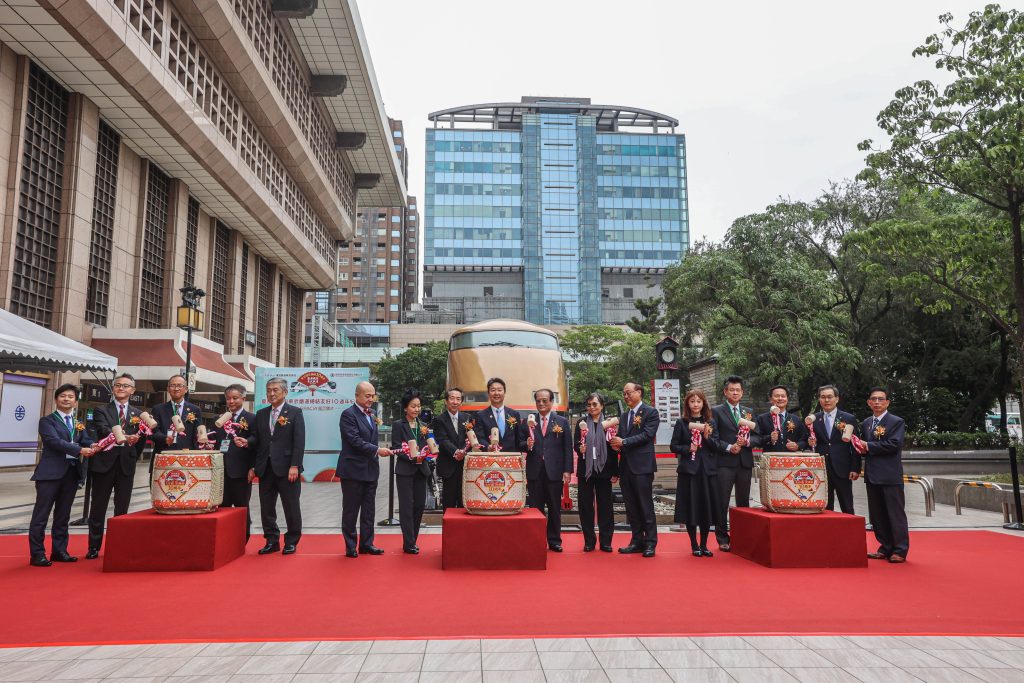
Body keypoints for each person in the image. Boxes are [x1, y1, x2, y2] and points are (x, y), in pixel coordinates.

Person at [29, 384, 95, 566]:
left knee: (63, 515)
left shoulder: (78, 423)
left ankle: (59, 551)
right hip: (50, 474)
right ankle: (37, 554)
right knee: (41, 515)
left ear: (76, 401)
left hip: (71, 473)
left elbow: (87, 440)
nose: (66, 399)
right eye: (63, 396)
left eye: (70, 396)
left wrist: (96, 445)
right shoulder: (47, 421)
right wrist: (80, 449)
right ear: (56, 399)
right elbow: (54, 442)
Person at [241, 378, 305, 555]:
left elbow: (299, 442)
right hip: (266, 468)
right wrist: (246, 442)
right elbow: (258, 440)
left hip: (287, 468)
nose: (271, 393)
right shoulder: (261, 414)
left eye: (275, 390)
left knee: (291, 506)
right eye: (269, 390)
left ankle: (291, 540)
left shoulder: (294, 412)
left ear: (285, 392)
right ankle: (272, 540)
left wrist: (295, 465)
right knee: (266, 507)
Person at [86, 373, 145, 559]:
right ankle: (94, 546)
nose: (121, 388)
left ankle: (118, 544)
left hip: (126, 465)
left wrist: (133, 449)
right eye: (118, 385)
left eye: (126, 386)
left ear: (132, 390)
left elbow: (142, 439)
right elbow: (103, 430)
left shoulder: (138, 413)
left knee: (122, 507)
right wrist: (124, 437)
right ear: (113, 388)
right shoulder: (101, 410)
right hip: (104, 464)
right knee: (98, 507)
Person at [337, 381, 392, 557]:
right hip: (353, 470)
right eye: (367, 396)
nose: (371, 399)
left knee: (369, 509)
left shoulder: (373, 414)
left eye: (372, 395)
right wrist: (377, 450)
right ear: (357, 396)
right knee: (351, 510)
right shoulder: (348, 415)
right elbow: (354, 440)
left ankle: (367, 543)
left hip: (370, 469)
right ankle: (351, 545)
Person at [858, 387, 909, 563]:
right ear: (869, 402)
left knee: (894, 514)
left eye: (881, 399)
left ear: (887, 402)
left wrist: (868, 446)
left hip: (890, 475)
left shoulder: (896, 421)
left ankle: (900, 550)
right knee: (877, 515)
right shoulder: (866, 423)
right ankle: (885, 547)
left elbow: (894, 444)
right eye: (874, 399)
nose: (877, 402)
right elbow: (863, 447)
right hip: (872, 475)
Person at [609, 382, 660, 557]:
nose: (626, 396)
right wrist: (617, 444)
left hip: (642, 466)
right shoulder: (624, 416)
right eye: (624, 393)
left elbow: (647, 435)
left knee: (645, 505)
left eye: (629, 392)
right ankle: (636, 540)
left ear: (639, 392)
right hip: (626, 467)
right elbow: (623, 437)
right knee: (631, 506)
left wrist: (624, 442)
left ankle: (650, 543)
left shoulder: (650, 412)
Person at [671, 389, 723, 558]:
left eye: (698, 401)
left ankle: (704, 544)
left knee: (706, 508)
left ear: (703, 403)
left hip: (707, 471)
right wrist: (687, 449)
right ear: (687, 404)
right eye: (692, 401)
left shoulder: (711, 422)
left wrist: (707, 437)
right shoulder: (681, 422)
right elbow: (674, 446)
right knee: (691, 507)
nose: (695, 404)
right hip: (689, 471)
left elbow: (717, 445)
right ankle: (694, 544)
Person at [710, 375, 758, 552]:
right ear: (725, 392)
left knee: (744, 502)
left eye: (738, 390)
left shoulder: (748, 411)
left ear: (742, 392)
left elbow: (758, 434)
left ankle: (742, 537)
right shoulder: (716, 411)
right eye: (732, 390)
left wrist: (748, 442)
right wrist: (729, 447)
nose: (735, 392)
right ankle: (722, 538)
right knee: (722, 501)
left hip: (744, 462)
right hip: (724, 463)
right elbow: (712, 437)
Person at [523, 388, 573, 552]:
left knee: (554, 507)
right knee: (535, 508)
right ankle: (535, 540)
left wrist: (567, 470)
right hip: (535, 470)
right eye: (538, 401)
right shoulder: (528, 421)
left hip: (554, 470)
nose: (541, 403)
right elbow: (521, 443)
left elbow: (567, 447)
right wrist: (527, 445)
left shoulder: (562, 422)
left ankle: (554, 540)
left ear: (551, 402)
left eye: (545, 400)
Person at [573, 393, 618, 552]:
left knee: (605, 506)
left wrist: (615, 471)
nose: (592, 407)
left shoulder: (609, 423)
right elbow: (576, 444)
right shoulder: (581, 422)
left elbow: (613, 449)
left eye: (595, 404)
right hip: (586, 470)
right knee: (585, 506)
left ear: (602, 405)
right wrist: (580, 448)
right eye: (589, 405)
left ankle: (606, 541)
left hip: (604, 469)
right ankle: (589, 541)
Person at [807, 384, 861, 514]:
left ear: (837, 399)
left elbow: (855, 445)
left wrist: (855, 468)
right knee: (825, 506)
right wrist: (810, 443)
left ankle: (850, 532)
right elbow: (809, 441)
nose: (826, 400)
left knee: (847, 505)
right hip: (821, 469)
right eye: (823, 397)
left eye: (830, 397)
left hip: (842, 468)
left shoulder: (848, 418)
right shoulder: (814, 419)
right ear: (819, 399)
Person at [391, 389, 430, 554]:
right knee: (407, 506)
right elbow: (396, 447)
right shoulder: (399, 425)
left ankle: (413, 539)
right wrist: (412, 456)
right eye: (413, 406)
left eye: (418, 406)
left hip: (421, 470)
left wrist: (428, 452)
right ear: (406, 408)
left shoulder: (423, 426)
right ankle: (408, 542)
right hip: (405, 470)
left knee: (419, 505)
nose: (416, 409)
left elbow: (428, 444)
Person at [220, 384, 257, 542]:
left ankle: (243, 538)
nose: (231, 401)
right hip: (221, 472)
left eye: (235, 398)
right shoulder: (220, 419)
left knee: (242, 507)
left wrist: (253, 467)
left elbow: (258, 442)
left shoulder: (252, 418)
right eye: (228, 398)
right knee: (223, 508)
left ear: (244, 398)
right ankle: (225, 540)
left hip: (241, 472)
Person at [150, 375, 201, 471]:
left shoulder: (195, 410)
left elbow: (197, 434)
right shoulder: (158, 409)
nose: (176, 388)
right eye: (172, 385)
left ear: (186, 389)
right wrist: (164, 438)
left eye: (180, 385)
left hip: (187, 458)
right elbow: (153, 432)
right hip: (164, 455)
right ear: (168, 389)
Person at [431, 387, 470, 509]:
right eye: (452, 398)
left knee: (464, 503)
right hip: (448, 466)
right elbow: (442, 440)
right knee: (449, 504)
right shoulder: (439, 420)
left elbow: (471, 438)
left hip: (465, 466)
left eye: (458, 399)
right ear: (446, 401)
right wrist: (456, 452)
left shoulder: (467, 418)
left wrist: (464, 451)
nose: (455, 402)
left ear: (461, 402)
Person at [473, 378, 522, 452]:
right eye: (493, 390)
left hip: (510, 459)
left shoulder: (514, 414)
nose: (496, 393)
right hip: (490, 459)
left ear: (504, 393)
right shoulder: (481, 415)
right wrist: (488, 447)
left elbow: (519, 439)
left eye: (499, 390)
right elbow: (480, 438)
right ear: (488, 393)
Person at [755, 385, 809, 453]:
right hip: (770, 458)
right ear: (771, 399)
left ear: (787, 399)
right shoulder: (762, 419)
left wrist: (798, 445)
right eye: (777, 396)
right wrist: (769, 438)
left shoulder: (796, 419)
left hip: (792, 459)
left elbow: (805, 439)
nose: (780, 398)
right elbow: (756, 438)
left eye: (783, 396)